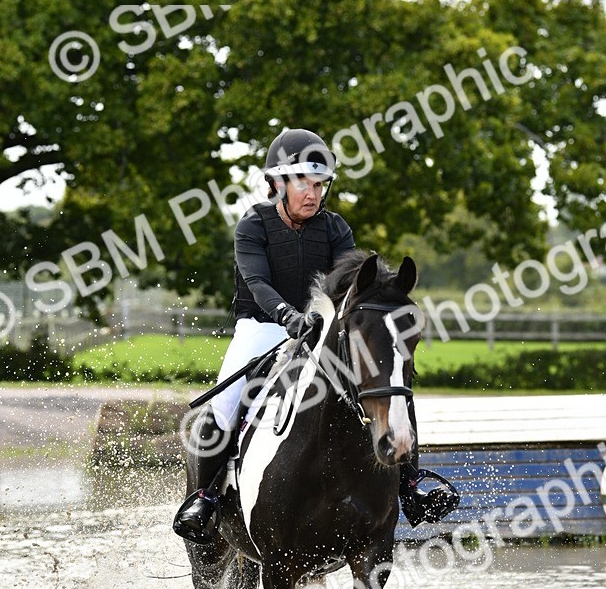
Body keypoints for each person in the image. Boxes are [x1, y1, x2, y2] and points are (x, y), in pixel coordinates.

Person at [172, 127, 459, 543]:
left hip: (320, 330)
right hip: (263, 328)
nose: (313, 193)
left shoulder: (336, 227)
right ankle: (207, 498)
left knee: (385, 382)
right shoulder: (253, 225)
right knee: (223, 405)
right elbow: (257, 283)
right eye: (303, 183)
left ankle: (410, 484)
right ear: (277, 183)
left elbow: (350, 281)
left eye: (320, 185)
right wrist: (287, 316)